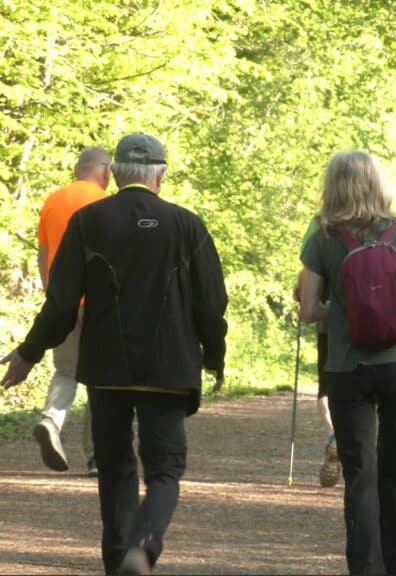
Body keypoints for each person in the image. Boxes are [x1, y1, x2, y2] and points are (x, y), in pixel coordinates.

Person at [1, 133, 228, 575]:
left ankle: (118, 561)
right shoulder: (188, 226)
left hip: (107, 368)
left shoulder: (88, 222)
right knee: (164, 469)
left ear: (118, 174)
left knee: (114, 467)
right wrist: (213, 356)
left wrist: (29, 353)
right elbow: (211, 304)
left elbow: (61, 304)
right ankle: (143, 546)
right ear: (161, 175)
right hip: (168, 367)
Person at [298, 151, 396, 575]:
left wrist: (344, 311)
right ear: (378, 185)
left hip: (346, 368)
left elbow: (308, 311)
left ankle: (365, 568)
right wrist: (392, 308)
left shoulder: (322, 241)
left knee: (360, 473)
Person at [31, 146, 110, 476]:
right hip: (99, 304)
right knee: (101, 378)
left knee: (65, 371)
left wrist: (54, 298)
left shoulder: (53, 200)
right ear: (105, 171)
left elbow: (43, 253)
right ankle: (97, 456)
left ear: (78, 169)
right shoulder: (105, 204)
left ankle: (52, 419)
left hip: (62, 304)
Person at [293, 216, 340, 489]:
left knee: (326, 388)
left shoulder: (320, 224)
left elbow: (306, 272)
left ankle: (334, 437)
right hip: (369, 326)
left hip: (328, 320)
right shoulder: (377, 223)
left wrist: (300, 292)